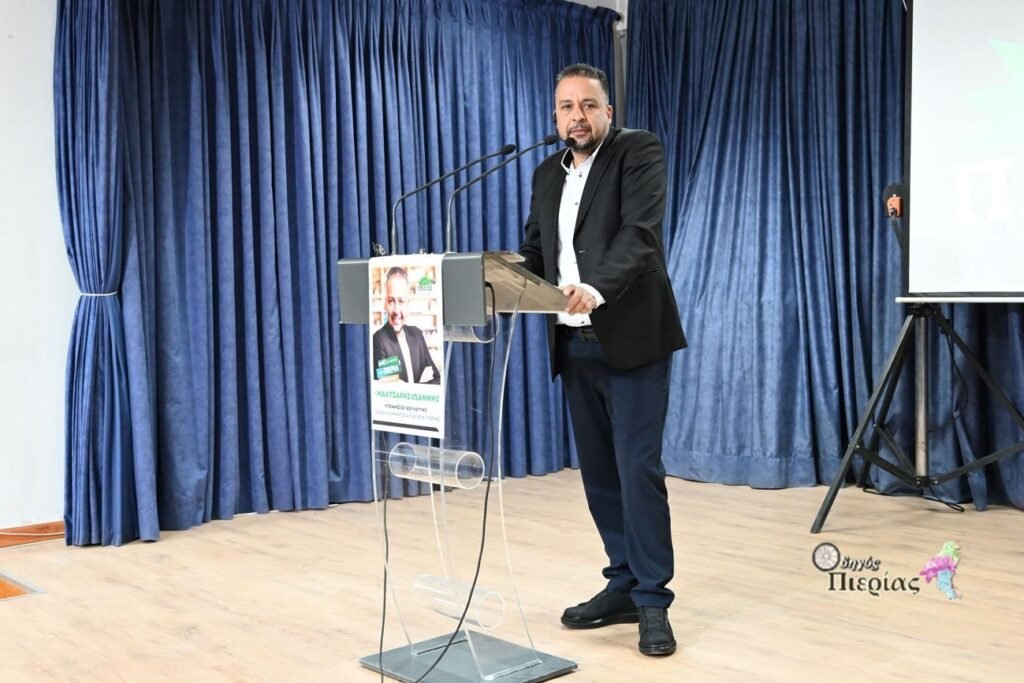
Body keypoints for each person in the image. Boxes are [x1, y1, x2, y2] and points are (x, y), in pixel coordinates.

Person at [519, 64, 686, 657]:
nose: (577, 117)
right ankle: (622, 583)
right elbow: (536, 250)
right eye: (567, 107)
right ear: (555, 115)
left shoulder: (637, 152)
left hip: (632, 340)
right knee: (600, 477)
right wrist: (494, 281)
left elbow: (640, 235)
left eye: (588, 105)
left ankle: (653, 601)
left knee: (637, 472)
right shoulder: (546, 173)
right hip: (573, 344)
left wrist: (594, 287)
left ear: (607, 112)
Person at [372, 267, 440, 384]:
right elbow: (391, 388)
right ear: (385, 304)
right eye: (391, 301)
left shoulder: (417, 334)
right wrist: (422, 385)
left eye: (401, 301)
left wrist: (413, 387)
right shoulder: (379, 340)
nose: (396, 310)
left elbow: (437, 379)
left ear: (408, 304)